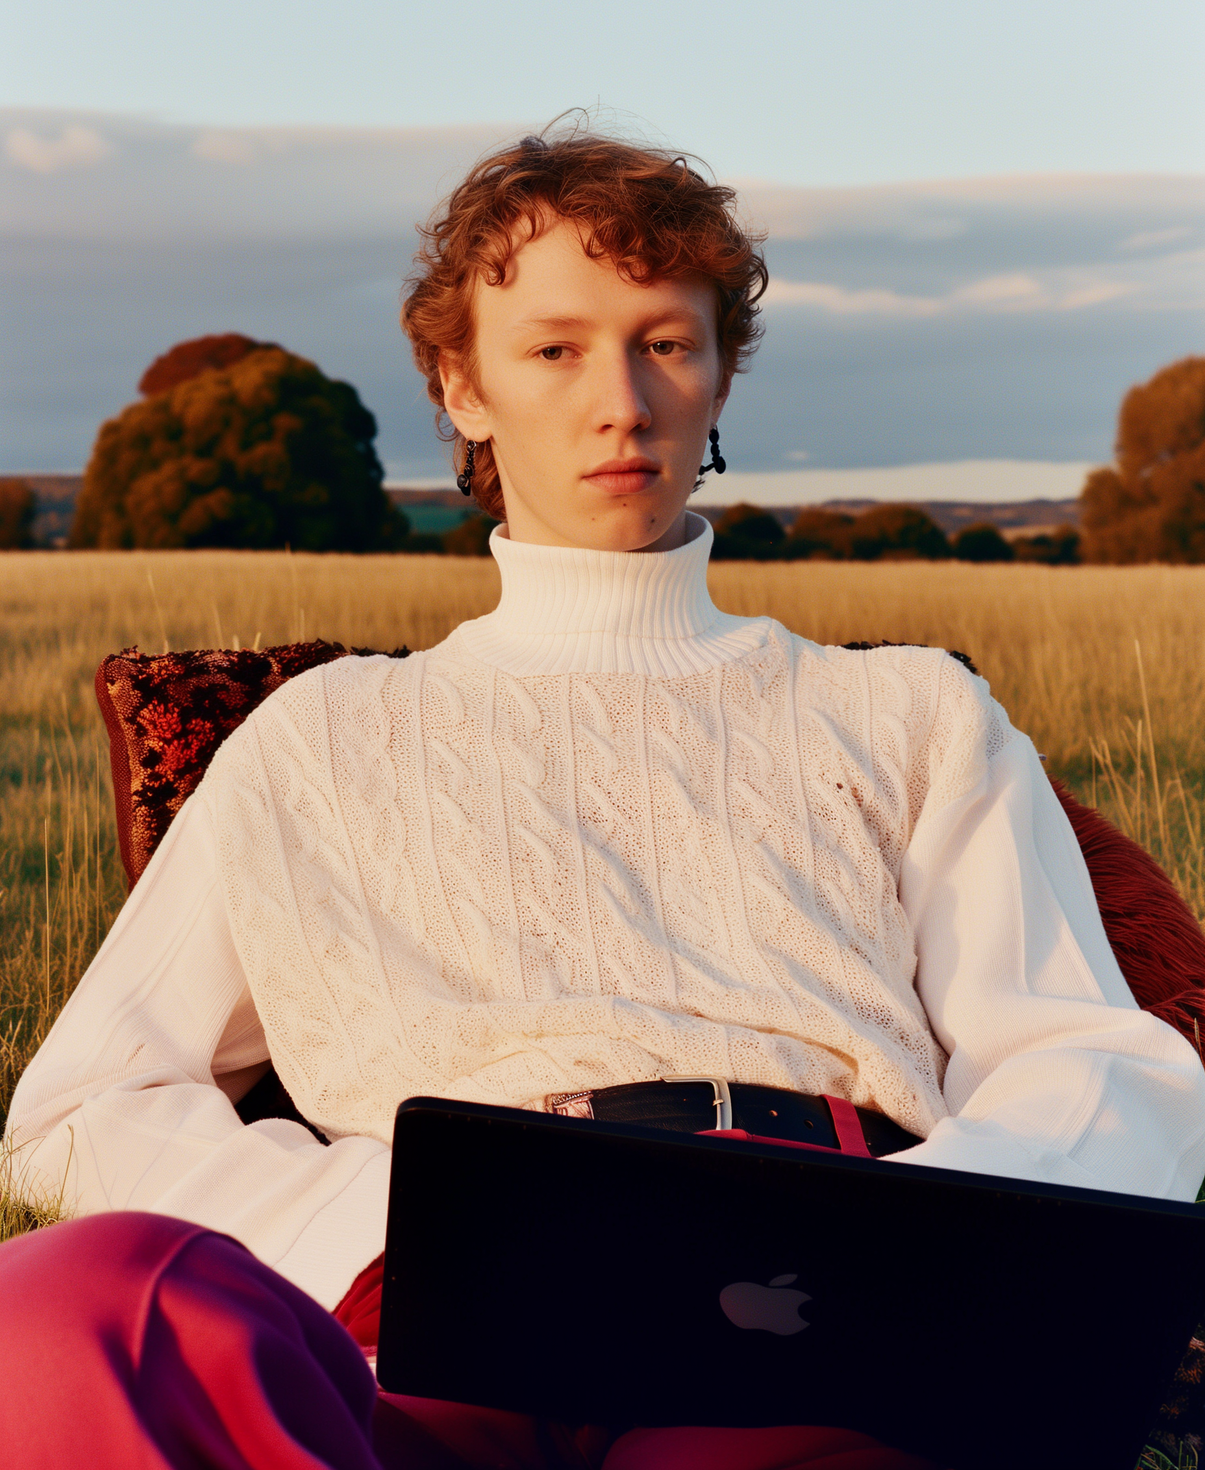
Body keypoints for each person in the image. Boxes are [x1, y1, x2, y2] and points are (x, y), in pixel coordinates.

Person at [3, 129, 1205, 1470]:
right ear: (462, 386)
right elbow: (84, 1104)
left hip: (802, 1319)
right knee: (56, 1316)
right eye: (556, 349)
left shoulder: (908, 710)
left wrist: (906, 1248)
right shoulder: (316, 738)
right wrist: (363, 1220)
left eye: (666, 344)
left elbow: (1094, 1061)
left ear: (720, 377)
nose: (621, 401)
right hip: (428, 1318)